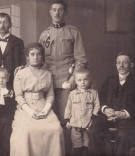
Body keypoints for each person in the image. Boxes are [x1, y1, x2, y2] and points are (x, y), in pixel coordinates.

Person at [39, 0, 87, 155]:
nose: (57, 13)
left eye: (60, 10)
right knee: (48, 120)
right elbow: (38, 61)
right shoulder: (44, 35)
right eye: (54, 10)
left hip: (66, 82)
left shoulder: (73, 32)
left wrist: (73, 78)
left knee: (67, 121)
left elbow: (81, 59)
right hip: (47, 83)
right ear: (50, 12)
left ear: (65, 12)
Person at [10, 42, 65, 156]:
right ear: (27, 57)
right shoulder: (20, 73)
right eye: (32, 54)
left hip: (43, 105)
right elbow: (18, 96)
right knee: (27, 131)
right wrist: (29, 111)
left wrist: (46, 109)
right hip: (25, 108)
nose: (35, 57)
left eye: (38, 54)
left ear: (42, 56)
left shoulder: (47, 74)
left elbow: (50, 95)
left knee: (56, 129)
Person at [88, 52, 135, 156]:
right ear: (116, 64)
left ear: (131, 65)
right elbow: (101, 97)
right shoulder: (110, 80)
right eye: (118, 63)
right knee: (93, 131)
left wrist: (124, 114)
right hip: (107, 116)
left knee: (124, 135)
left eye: (124, 63)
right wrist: (105, 109)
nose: (121, 65)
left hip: (128, 119)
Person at [64, 69, 100, 156]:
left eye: (85, 79)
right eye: (79, 80)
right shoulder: (72, 94)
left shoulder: (93, 93)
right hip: (75, 124)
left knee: (87, 145)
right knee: (76, 145)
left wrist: (93, 119)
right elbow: (68, 107)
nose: (82, 82)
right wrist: (68, 120)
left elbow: (97, 106)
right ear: (76, 81)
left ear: (89, 80)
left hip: (88, 124)